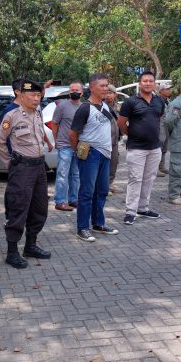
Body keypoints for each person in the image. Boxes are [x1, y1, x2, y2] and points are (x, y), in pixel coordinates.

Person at [0, 79, 53, 269]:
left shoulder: (38, 113)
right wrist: (10, 164)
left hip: (39, 168)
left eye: (38, 95)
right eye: (33, 95)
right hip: (22, 169)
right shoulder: (11, 115)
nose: (37, 99)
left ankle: (31, 245)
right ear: (21, 95)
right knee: (18, 209)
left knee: (39, 208)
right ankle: (12, 252)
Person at [71, 73, 118, 242]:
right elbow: (73, 133)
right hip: (90, 154)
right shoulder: (85, 108)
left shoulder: (106, 106)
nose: (106, 89)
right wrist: (77, 151)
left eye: (107, 85)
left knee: (102, 191)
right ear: (91, 88)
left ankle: (98, 223)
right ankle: (82, 228)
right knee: (86, 193)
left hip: (105, 154)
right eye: (102, 86)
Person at [117, 71, 164, 224]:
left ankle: (143, 208)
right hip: (136, 148)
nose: (148, 83)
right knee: (135, 179)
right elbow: (121, 123)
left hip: (154, 148)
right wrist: (132, 134)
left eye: (151, 81)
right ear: (140, 83)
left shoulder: (159, 101)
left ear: (154, 83)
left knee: (149, 179)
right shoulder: (130, 102)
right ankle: (131, 211)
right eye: (145, 81)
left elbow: (158, 118)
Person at [52, 80, 83, 211]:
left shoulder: (84, 107)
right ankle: (60, 201)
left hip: (79, 147)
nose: (74, 92)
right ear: (69, 92)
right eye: (72, 90)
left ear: (82, 92)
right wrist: (56, 140)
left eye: (77, 90)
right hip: (64, 145)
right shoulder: (62, 106)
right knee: (62, 174)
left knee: (75, 174)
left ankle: (73, 199)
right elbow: (54, 123)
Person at [104, 84, 122, 188]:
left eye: (110, 93)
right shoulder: (101, 106)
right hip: (105, 140)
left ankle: (110, 183)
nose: (108, 95)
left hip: (115, 139)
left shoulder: (119, 106)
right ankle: (104, 185)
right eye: (106, 93)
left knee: (114, 163)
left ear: (115, 94)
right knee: (105, 163)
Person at [156, 82, 173, 177]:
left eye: (169, 89)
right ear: (161, 91)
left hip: (166, 125)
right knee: (159, 146)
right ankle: (156, 168)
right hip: (159, 125)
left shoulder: (168, 100)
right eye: (167, 89)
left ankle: (162, 166)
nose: (169, 90)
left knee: (165, 146)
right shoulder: (157, 100)